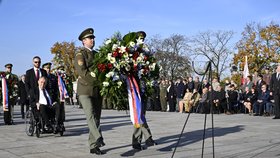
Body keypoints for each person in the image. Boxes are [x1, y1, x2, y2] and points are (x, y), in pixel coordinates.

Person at [74, 28, 105, 155]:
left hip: (97, 90)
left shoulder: (98, 55)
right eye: (90, 38)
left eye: (93, 38)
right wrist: (97, 80)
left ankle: (93, 145)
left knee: (96, 117)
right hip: (85, 90)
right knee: (90, 115)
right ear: (83, 41)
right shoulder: (80, 54)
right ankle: (99, 137)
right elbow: (83, 71)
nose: (92, 40)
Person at [128, 31, 157, 150]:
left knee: (141, 114)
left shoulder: (146, 52)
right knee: (138, 113)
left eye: (143, 39)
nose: (142, 41)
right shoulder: (131, 52)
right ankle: (139, 140)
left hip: (143, 87)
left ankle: (146, 138)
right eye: (140, 39)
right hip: (134, 87)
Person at [42, 62, 64, 133]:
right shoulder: (41, 77)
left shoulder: (53, 77)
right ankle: (47, 124)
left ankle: (57, 124)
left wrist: (58, 98)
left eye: (49, 68)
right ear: (43, 69)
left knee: (58, 106)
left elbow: (56, 89)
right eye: (46, 68)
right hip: (44, 100)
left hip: (53, 99)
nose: (48, 70)